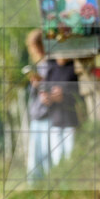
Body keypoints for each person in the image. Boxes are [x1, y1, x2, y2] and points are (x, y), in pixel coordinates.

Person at [24, 30, 51, 182]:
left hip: (48, 116)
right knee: (35, 160)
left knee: (47, 158)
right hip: (37, 116)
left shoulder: (51, 64)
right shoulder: (40, 65)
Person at [43, 57, 80, 168]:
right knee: (57, 160)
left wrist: (64, 95)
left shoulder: (73, 67)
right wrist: (47, 97)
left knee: (71, 158)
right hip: (56, 120)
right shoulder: (52, 68)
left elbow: (79, 92)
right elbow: (46, 89)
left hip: (71, 120)